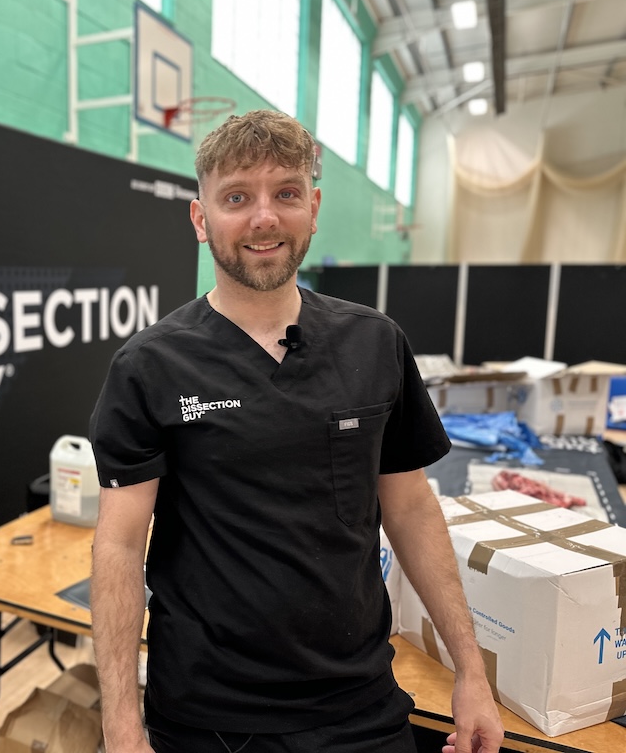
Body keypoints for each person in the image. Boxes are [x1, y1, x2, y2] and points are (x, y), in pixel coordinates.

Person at [87, 109, 504, 753]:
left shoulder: (376, 342)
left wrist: (471, 671)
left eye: (285, 193)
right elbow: (119, 546)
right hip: (208, 718)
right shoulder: (149, 366)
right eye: (235, 198)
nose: (263, 218)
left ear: (312, 207)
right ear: (201, 221)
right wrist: (120, 723)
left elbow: (412, 509)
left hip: (360, 706)